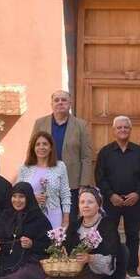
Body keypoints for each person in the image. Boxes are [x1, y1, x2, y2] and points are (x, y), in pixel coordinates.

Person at [95, 116, 140, 279]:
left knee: (133, 234)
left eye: (126, 127)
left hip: (133, 201)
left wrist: (138, 193)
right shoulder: (105, 152)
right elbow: (99, 176)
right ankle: (112, 266)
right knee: (110, 234)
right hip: (113, 201)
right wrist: (110, 195)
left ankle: (132, 268)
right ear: (114, 130)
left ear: (130, 130)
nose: (123, 130)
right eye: (119, 128)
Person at [30, 90, 94, 223]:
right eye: (57, 100)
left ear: (70, 103)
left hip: (72, 183)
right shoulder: (40, 123)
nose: (60, 103)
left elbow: (86, 157)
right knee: (44, 220)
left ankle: (66, 244)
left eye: (64, 100)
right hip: (45, 181)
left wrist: (84, 184)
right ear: (51, 104)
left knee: (68, 221)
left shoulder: (81, 125)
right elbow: (32, 151)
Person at [17, 131, 71, 229]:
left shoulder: (60, 166)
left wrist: (66, 218)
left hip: (54, 215)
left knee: (52, 244)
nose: (41, 147)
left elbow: (65, 193)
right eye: (38, 144)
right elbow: (18, 193)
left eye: (45, 144)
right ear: (33, 148)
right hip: (31, 216)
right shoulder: (25, 168)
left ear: (51, 148)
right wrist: (32, 198)